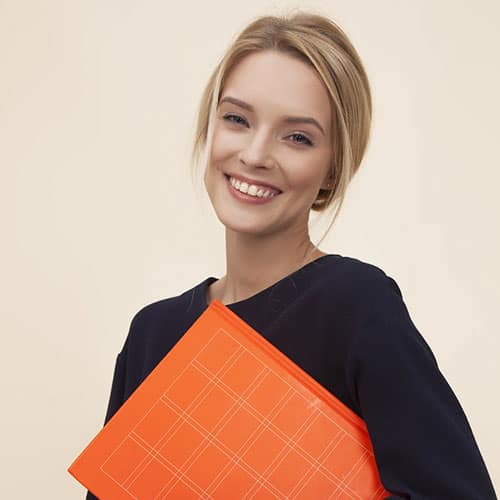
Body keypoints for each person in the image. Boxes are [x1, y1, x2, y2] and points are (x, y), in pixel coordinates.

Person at [86, 11, 496, 499]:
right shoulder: (153, 335)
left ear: (331, 169)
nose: (256, 154)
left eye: (297, 137)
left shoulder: (356, 307)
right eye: (237, 119)